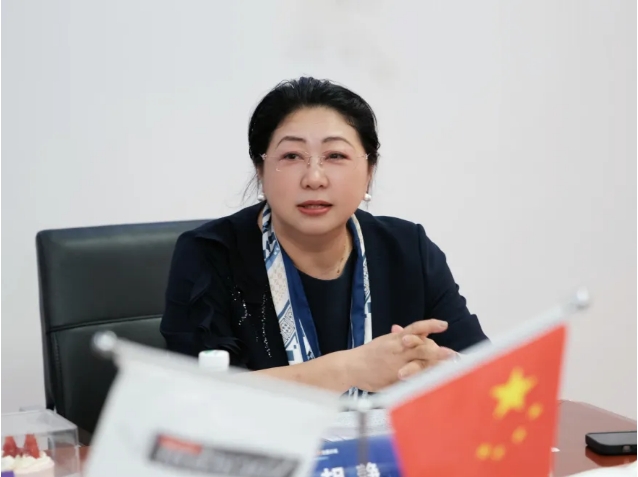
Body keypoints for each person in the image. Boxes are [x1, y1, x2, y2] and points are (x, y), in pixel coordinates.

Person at [160, 77, 488, 395]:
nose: (314, 178)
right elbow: (191, 399)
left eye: (335, 156)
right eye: (291, 156)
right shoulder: (210, 254)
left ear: (369, 171)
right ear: (260, 170)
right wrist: (349, 369)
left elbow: (485, 373)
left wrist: (438, 367)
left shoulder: (407, 249)